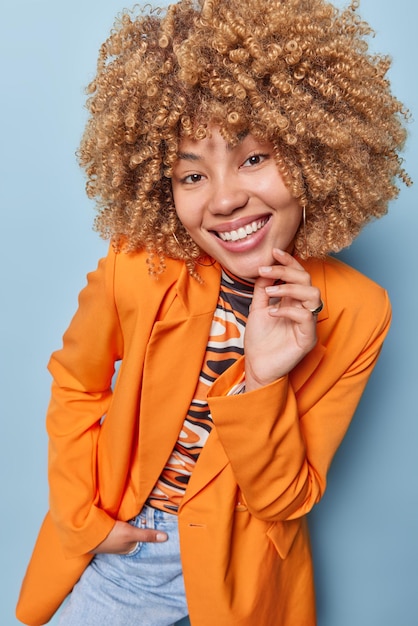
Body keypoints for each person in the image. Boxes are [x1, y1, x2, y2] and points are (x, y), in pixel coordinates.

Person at [16, 0, 411, 624]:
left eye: (254, 158)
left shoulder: (360, 311)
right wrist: (83, 519)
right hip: (132, 549)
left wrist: (264, 379)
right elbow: (75, 384)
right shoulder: (135, 267)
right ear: (160, 186)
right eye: (190, 175)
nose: (225, 199)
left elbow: (285, 498)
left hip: (243, 568)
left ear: (314, 153)